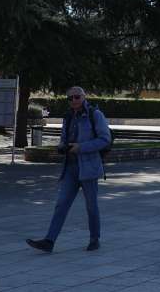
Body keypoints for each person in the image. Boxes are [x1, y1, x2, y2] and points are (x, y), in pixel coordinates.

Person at [27, 87, 111, 253]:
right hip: (70, 168)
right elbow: (64, 138)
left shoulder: (95, 115)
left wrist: (81, 147)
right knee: (61, 204)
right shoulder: (68, 117)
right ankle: (49, 241)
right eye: (70, 98)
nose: (73, 100)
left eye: (77, 97)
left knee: (91, 206)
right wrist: (61, 146)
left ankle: (95, 239)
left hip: (88, 167)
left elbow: (105, 139)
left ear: (84, 97)